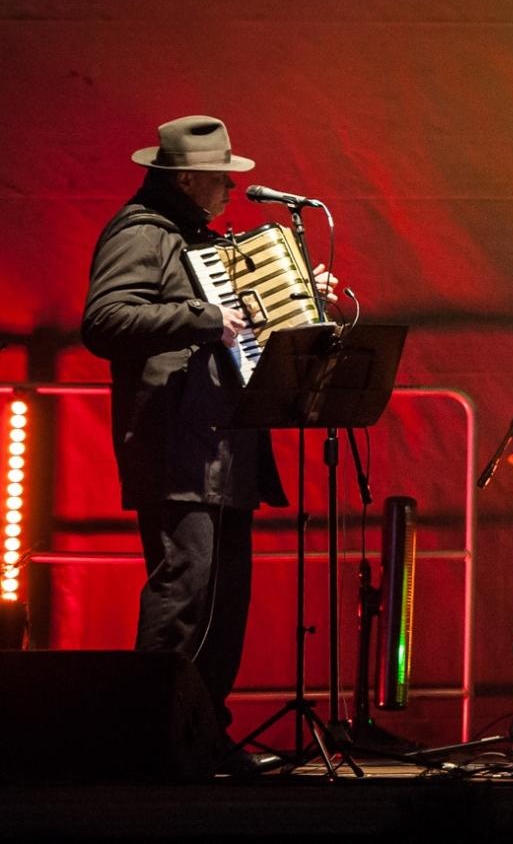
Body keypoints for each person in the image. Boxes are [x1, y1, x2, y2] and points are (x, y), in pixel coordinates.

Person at [81, 115, 334, 772]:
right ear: (187, 178)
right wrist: (205, 316)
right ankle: (149, 742)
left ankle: (200, 734)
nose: (231, 188)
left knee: (225, 605)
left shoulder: (200, 241)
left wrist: (302, 298)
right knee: (184, 599)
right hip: (177, 447)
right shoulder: (141, 232)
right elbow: (104, 319)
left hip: (224, 447)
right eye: (221, 177)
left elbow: (247, 328)